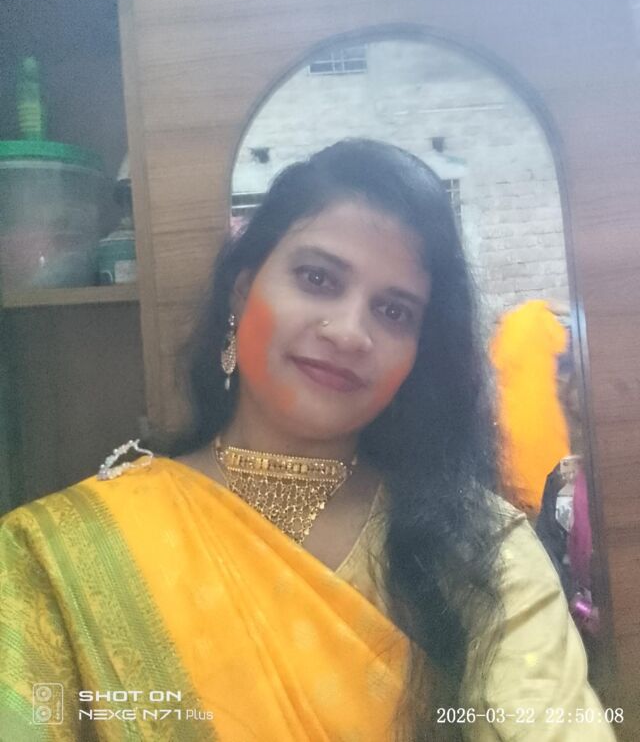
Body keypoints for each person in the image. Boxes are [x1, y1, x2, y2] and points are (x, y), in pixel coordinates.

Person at [0, 140, 616, 741]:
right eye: (318, 278)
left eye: (394, 311)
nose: (349, 331)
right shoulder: (63, 553)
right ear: (243, 290)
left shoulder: (481, 552)